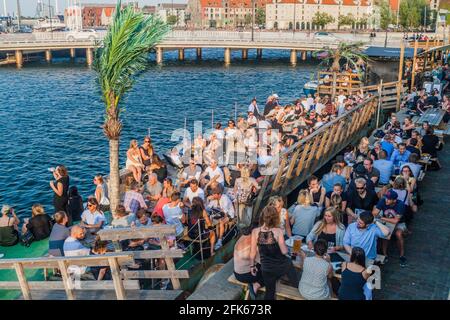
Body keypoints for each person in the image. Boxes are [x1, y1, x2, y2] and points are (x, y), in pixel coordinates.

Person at [249, 206, 298, 300]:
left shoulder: (255, 232)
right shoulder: (278, 231)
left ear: (262, 217)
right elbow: (284, 251)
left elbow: (252, 253)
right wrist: (295, 252)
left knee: (270, 292)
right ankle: (298, 287)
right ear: (276, 218)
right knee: (290, 263)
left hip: (266, 268)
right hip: (281, 265)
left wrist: (252, 267)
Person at [372, 190, 408, 267]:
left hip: (399, 223)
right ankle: (384, 254)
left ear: (394, 200)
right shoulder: (383, 200)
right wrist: (377, 210)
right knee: (385, 233)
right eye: (386, 198)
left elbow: (395, 221)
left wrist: (381, 217)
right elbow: (374, 213)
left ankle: (402, 255)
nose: (386, 200)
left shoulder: (400, 204)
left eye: (389, 199)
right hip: (386, 221)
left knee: (398, 234)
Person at [233, 223, 264, 300]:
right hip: (246, 276)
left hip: (237, 273)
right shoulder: (253, 243)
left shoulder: (242, 237)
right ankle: (256, 285)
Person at [206, 186, 235, 250]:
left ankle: (219, 240)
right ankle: (212, 238)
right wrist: (208, 200)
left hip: (229, 215)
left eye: (214, 194)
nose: (213, 195)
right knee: (209, 218)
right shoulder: (214, 199)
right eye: (212, 194)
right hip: (219, 214)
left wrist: (217, 217)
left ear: (219, 194)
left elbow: (225, 213)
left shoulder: (225, 198)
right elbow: (207, 208)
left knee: (221, 222)